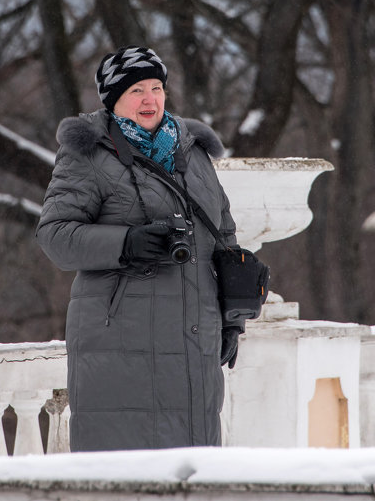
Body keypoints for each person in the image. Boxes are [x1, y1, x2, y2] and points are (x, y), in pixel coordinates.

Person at [36, 45, 242, 451]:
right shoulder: (89, 154)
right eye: (136, 91)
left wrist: (232, 314)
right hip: (120, 344)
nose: (150, 99)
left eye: (157, 87)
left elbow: (224, 233)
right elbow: (55, 236)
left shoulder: (193, 152)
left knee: (193, 472)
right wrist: (126, 243)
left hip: (195, 340)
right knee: (126, 471)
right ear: (113, 100)